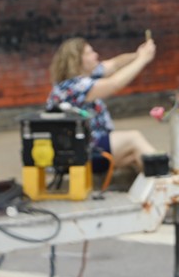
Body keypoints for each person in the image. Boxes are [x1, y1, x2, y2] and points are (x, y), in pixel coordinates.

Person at [46, 36, 159, 175]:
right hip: (82, 150)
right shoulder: (73, 86)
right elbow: (114, 84)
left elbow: (115, 64)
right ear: (76, 61)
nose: (96, 55)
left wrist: (137, 54)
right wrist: (142, 59)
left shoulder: (85, 75)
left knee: (136, 156)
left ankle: (161, 182)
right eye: (89, 53)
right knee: (133, 138)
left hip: (86, 146)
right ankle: (166, 178)